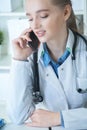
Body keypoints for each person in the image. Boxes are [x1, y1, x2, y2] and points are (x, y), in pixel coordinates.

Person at [7, 0, 87, 128]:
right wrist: (19, 60)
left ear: (65, 12)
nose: (35, 25)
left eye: (43, 16)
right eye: (30, 18)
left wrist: (59, 118)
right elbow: (17, 116)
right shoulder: (30, 56)